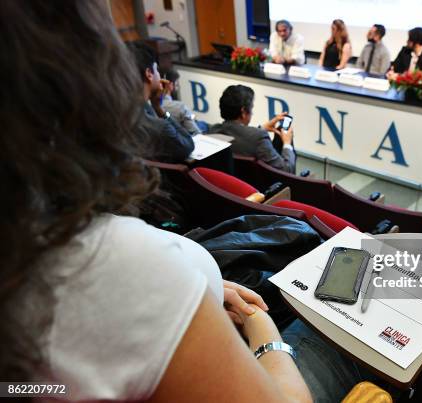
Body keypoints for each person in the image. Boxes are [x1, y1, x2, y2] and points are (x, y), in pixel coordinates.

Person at [1, 1, 395, 402]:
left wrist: (195, 287)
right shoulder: (109, 263)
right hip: (256, 348)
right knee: (349, 306)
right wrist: (261, 328)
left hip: (195, 301)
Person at [128, 41, 195, 163]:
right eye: (156, 70)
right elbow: (188, 145)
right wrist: (161, 111)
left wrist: (156, 106)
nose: (159, 75)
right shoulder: (158, 126)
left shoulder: (125, 111)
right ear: (149, 74)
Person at [208, 85, 296, 173]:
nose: (252, 113)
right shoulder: (258, 137)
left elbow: (242, 137)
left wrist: (262, 128)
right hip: (263, 185)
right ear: (243, 112)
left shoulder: (213, 131)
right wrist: (287, 144)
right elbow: (286, 170)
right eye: (251, 108)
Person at [160, 68, 206, 135]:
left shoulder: (149, 106)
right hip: (183, 139)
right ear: (169, 85)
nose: (178, 86)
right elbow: (196, 133)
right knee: (204, 125)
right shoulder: (180, 107)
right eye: (176, 83)